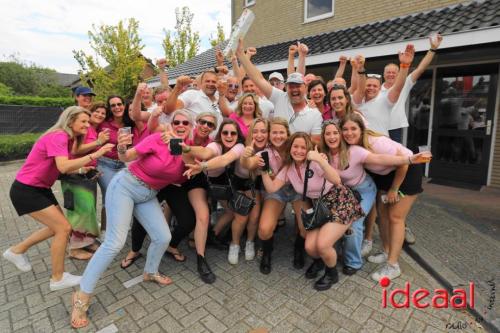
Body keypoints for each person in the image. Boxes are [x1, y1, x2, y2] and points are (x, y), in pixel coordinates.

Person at [70, 111, 192, 329]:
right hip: (125, 186)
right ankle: (81, 296)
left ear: (190, 127)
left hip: (148, 195)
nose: (181, 125)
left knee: (163, 237)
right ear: (170, 124)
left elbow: (198, 164)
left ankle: (150, 272)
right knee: (114, 243)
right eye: (177, 122)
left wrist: (187, 151)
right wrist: (122, 147)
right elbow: (127, 157)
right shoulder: (157, 139)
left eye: (186, 122)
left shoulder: (188, 150)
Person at [3, 106, 113, 291]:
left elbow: (60, 168)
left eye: (88, 121)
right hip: (27, 190)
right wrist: (96, 154)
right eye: (83, 121)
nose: (88, 124)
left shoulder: (68, 139)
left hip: (39, 189)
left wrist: (80, 169)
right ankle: (57, 277)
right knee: (63, 228)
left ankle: (16, 250)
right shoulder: (59, 136)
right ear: (70, 121)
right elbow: (62, 166)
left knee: (57, 228)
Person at [260, 132, 364, 290]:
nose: (299, 151)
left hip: (339, 202)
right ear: (290, 148)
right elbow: (271, 187)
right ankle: (321, 260)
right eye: (296, 146)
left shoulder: (315, 162)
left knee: (322, 245)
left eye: (303, 147)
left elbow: (336, 180)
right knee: (310, 247)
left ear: (309, 149)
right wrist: (263, 170)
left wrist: (320, 160)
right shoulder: (289, 168)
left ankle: (331, 274)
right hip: (319, 206)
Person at [339, 113, 430, 281]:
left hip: (406, 171)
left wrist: (394, 189)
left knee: (395, 217)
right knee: (382, 215)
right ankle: (387, 250)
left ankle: (393, 265)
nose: (349, 133)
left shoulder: (375, 142)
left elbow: (402, 162)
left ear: (362, 129)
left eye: (353, 128)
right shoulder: (351, 147)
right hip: (385, 175)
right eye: (345, 129)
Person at [183, 119, 258, 265]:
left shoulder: (239, 146)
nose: (229, 136)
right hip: (199, 179)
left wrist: (203, 165)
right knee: (203, 215)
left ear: (238, 135)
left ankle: (212, 235)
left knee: (232, 211)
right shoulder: (215, 145)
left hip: (218, 182)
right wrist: (187, 149)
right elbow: (205, 152)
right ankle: (196, 245)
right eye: (225, 132)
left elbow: (225, 160)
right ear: (220, 134)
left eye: (233, 133)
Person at [235, 39, 322, 143]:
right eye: (291, 86)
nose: (294, 89)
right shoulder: (280, 97)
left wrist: (302, 56)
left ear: (305, 87)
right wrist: (241, 55)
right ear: (286, 87)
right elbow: (259, 78)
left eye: (298, 86)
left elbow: (315, 142)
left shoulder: (315, 114)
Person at [63, 102, 110, 260]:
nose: (100, 115)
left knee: (87, 209)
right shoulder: (85, 128)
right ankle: (75, 249)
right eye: (97, 112)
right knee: (80, 210)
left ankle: (86, 241)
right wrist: (99, 142)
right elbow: (75, 150)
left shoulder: (93, 129)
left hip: (86, 174)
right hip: (75, 174)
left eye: (103, 113)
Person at [352, 44, 415, 136]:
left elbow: (398, 88)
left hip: (381, 145)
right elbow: (358, 87)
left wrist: (404, 65)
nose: (371, 88)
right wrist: (360, 69)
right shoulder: (358, 101)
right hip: (362, 146)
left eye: (375, 86)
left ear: (379, 88)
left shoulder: (384, 99)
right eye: (368, 85)